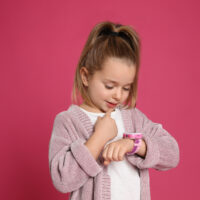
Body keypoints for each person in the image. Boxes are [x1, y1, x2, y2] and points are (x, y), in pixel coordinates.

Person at [48, 21, 180, 200]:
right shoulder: (68, 121)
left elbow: (172, 153)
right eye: (110, 86)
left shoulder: (133, 117)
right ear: (86, 76)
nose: (118, 95)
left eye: (126, 88)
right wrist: (99, 137)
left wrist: (134, 145)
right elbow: (62, 179)